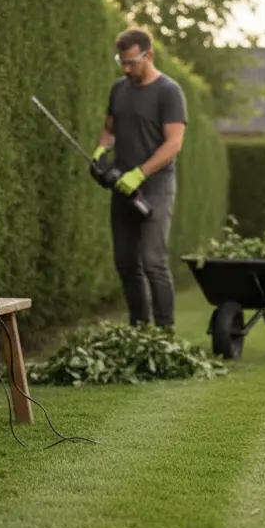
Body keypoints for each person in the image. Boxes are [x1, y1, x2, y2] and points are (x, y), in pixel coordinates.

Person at [93, 27, 188, 330]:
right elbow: (110, 129)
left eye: (132, 62)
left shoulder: (169, 92)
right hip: (122, 185)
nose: (126, 68)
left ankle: (164, 332)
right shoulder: (118, 89)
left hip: (156, 188)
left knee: (153, 262)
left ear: (149, 55)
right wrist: (100, 153)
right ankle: (140, 328)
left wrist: (141, 173)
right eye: (121, 61)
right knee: (125, 262)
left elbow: (174, 143)